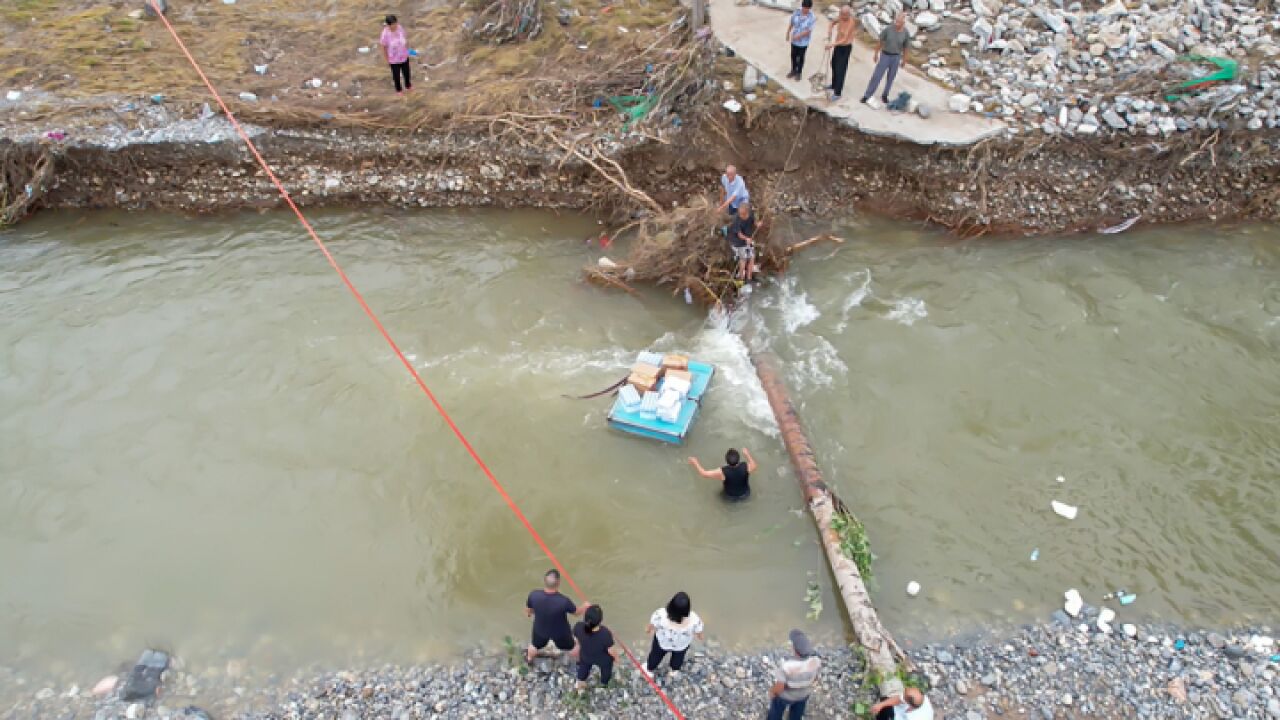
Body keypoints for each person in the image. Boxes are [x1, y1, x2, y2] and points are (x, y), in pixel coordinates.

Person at [526, 569, 589, 663]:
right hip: (560, 633)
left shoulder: (534, 595)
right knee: (573, 646)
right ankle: (579, 661)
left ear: (544, 581)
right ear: (559, 582)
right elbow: (576, 613)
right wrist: (585, 606)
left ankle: (529, 659)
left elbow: (529, 612)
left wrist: (538, 612)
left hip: (540, 630)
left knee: (534, 645)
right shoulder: (564, 601)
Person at [645, 591, 705, 675]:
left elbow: (651, 626)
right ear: (687, 608)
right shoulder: (694, 620)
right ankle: (674, 670)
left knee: (655, 656)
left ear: (671, 605)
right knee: (678, 659)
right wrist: (700, 637)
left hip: (662, 643)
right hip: (681, 646)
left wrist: (648, 630)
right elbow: (700, 634)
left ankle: (649, 669)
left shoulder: (660, 614)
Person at [767, 630, 821, 720]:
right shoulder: (816, 662)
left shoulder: (787, 667)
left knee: (776, 710)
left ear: (795, 650)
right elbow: (815, 679)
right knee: (797, 713)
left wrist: (772, 692)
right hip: (803, 695)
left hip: (786, 696)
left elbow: (780, 687)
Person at [863, 13, 910, 105]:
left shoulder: (906, 33)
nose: (896, 23)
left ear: (903, 23)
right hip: (885, 55)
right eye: (896, 21)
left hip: (896, 57)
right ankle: (867, 95)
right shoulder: (888, 29)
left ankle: (885, 95)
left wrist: (904, 60)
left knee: (891, 78)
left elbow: (906, 47)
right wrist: (876, 53)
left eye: (899, 22)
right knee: (876, 76)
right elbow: (880, 41)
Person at [572, 605, 619, 690]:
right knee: (606, 670)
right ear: (600, 620)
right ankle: (604, 683)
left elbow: (576, 640)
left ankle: (580, 680)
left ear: (585, 617)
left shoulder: (578, 626)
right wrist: (616, 658)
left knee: (583, 667)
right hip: (602, 659)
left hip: (586, 656)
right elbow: (611, 650)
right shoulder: (605, 633)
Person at [687, 447, 756, 500]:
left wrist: (695, 462)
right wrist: (747, 454)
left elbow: (704, 473)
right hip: (745, 494)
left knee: (717, 496)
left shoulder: (722, 472)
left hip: (730, 497)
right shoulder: (746, 466)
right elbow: (754, 465)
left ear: (726, 460)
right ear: (738, 459)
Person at [825, 5, 856, 101]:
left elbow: (844, 39)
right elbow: (832, 22)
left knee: (840, 70)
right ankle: (834, 85)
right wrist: (830, 29)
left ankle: (838, 93)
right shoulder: (840, 17)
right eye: (841, 14)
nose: (842, 17)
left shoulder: (851, 22)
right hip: (838, 46)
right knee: (833, 64)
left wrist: (832, 44)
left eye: (845, 15)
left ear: (848, 14)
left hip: (845, 47)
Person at [784, 0, 817, 81]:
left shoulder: (812, 17)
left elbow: (809, 30)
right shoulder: (797, 12)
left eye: (807, 8)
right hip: (794, 41)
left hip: (803, 42)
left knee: (801, 57)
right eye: (804, 8)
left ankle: (799, 73)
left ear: (809, 8)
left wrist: (798, 36)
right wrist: (788, 33)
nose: (805, 10)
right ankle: (793, 70)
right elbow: (791, 23)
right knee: (793, 56)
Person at [380, 14, 412, 95]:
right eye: (393, 24)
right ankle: (399, 90)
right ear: (388, 25)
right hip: (393, 59)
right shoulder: (385, 34)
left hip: (404, 56)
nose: (395, 25)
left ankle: (408, 85)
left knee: (407, 73)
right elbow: (383, 47)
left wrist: (408, 51)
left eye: (395, 23)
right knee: (396, 76)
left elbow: (405, 39)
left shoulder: (400, 28)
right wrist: (387, 60)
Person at [726, 201, 758, 281]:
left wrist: (758, 224)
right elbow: (739, 235)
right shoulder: (736, 219)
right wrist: (746, 239)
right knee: (743, 259)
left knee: (752, 257)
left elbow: (754, 222)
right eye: (740, 213)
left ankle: (749, 278)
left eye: (743, 214)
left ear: (747, 212)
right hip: (737, 241)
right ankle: (741, 278)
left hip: (748, 238)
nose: (741, 215)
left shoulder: (751, 213)